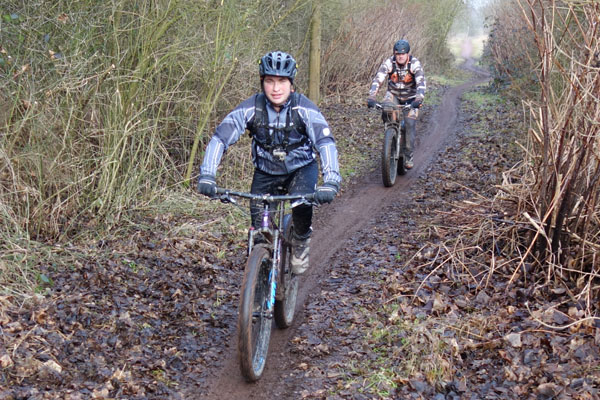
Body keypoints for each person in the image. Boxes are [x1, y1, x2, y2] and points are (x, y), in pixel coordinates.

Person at [197, 50, 341, 275]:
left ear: (291, 84)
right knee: (258, 230)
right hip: (266, 171)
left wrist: (331, 180)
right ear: (262, 82)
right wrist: (208, 175)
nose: (275, 88)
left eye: (282, 81)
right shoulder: (251, 108)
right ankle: (259, 277)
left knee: (301, 205)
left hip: (301, 169)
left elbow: (325, 143)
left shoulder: (304, 109)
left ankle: (300, 241)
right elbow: (220, 138)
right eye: (270, 81)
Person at [367, 39, 426, 169]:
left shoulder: (414, 64)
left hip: (411, 98)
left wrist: (419, 99)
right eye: (398, 54)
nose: (400, 56)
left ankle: (408, 156)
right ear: (395, 54)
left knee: (410, 124)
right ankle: (391, 134)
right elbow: (378, 79)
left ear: (407, 54)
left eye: (403, 54)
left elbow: (421, 83)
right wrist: (372, 96)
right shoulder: (389, 62)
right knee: (386, 109)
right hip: (393, 95)